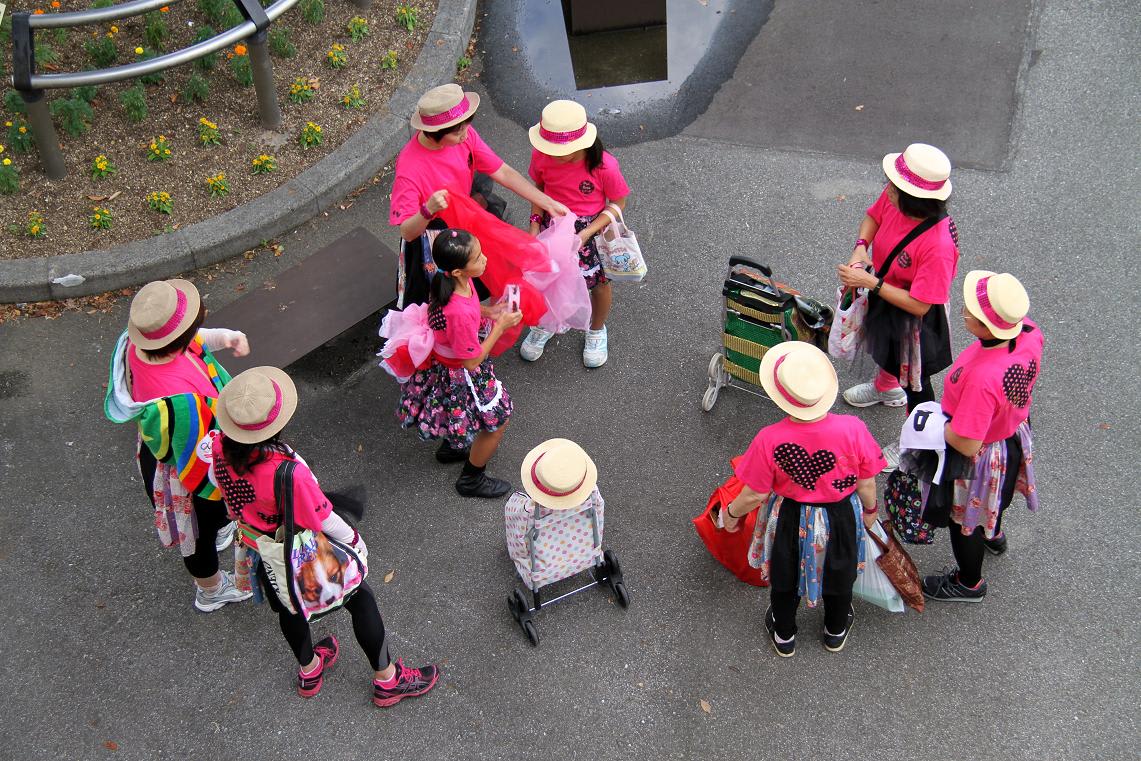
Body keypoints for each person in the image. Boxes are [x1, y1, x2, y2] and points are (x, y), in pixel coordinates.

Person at [210, 367, 440, 706]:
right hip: (300, 551)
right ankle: (387, 679)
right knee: (360, 598)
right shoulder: (287, 473)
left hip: (262, 550)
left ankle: (310, 669)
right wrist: (355, 542)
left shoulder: (218, 449)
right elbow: (323, 518)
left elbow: (223, 493)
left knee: (289, 609)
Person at [721, 342, 885, 657]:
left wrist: (731, 514)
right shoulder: (854, 429)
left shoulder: (770, 438)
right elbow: (866, 482)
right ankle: (835, 630)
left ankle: (784, 633)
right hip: (840, 514)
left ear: (783, 399)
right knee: (840, 571)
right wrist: (870, 511)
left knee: (785, 574)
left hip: (790, 516)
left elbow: (754, 493)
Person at [104, 279, 253, 612]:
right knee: (197, 532)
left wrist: (225, 338)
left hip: (169, 449)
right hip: (188, 470)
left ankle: (217, 530)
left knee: (211, 520)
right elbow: (201, 468)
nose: (196, 333)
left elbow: (192, 341)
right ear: (178, 341)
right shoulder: (181, 403)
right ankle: (211, 590)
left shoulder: (135, 344)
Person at [389, 83, 569, 308]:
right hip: (436, 240)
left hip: (467, 221)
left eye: (466, 126)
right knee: (447, 301)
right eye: (457, 132)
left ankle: (481, 321)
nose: (466, 136)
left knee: (490, 274)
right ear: (435, 133)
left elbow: (501, 170)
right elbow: (407, 231)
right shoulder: (410, 168)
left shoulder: (464, 133)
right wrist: (428, 209)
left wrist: (545, 201)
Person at [922, 271, 1042, 602]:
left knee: (966, 521)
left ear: (987, 328)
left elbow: (966, 441)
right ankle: (996, 533)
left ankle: (968, 583)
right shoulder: (1029, 332)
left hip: (981, 455)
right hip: (1011, 434)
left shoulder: (982, 378)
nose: (963, 310)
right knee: (996, 496)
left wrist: (931, 427)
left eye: (970, 311)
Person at [385, 229, 522, 498]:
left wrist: (489, 311)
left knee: (455, 409)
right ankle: (472, 478)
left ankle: (454, 447)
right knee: (498, 422)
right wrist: (500, 326)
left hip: (445, 365)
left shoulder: (448, 278)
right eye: (478, 258)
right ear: (458, 271)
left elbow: (466, 308)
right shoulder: (457, 310)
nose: (485, 260)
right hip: (461, 371)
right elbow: (471, 361)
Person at [836, 143, 960, 428]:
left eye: (893, 187)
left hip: (913, 318)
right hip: (885, 292)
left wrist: (870, 282)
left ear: (914, 199)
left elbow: (921, 304)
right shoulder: (896, 198)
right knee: (885, 351)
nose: (887, 189)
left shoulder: (938, 246)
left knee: (917, 384)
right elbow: (873, 216)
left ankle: (915, 440)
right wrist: (860, 247)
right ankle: (887, 388)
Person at [520, 100, 631, 368]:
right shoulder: (542, 156)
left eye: (561, 150)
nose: (552, 155)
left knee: (599, 284)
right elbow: (539, 189)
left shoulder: (605, 166)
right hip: (552, 226)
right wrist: (535, 225)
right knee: (549, 279)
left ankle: (596, 330)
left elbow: (618, 203)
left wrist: (588, 233)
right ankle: (547, 322)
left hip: (589, 233)